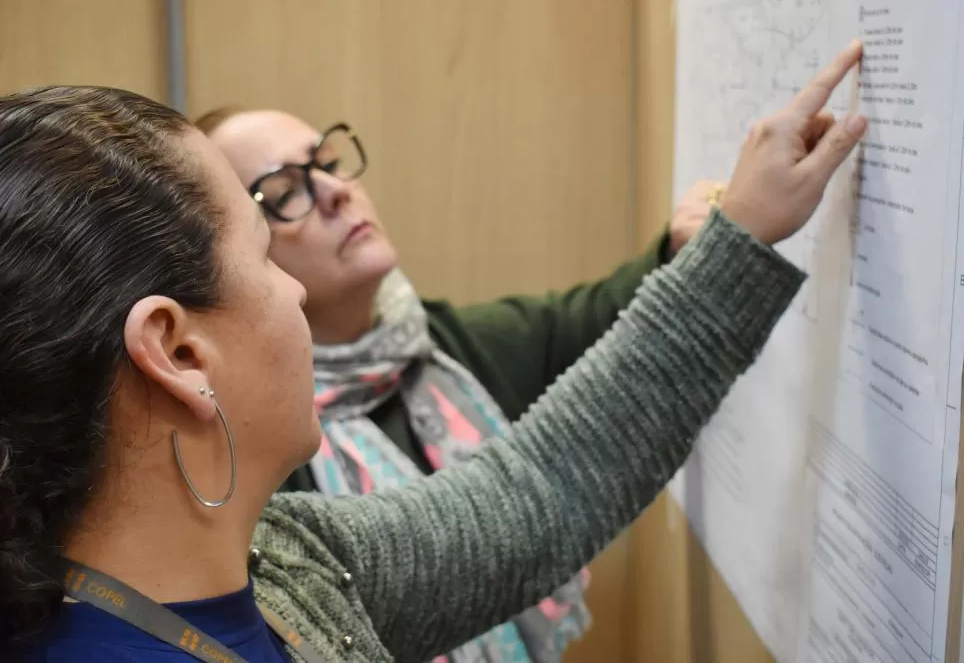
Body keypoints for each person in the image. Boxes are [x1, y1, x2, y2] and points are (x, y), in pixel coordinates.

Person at [0, 41, 867, 663]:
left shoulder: (289, 564)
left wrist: (741, 234)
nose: (294, 292)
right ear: (178, 352)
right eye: (264, 256)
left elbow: (532, 498)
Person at [196, 70, 721, 663]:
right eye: (287, 191)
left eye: (331, 161)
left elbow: (604, 323)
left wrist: (688, 248)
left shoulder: (444, 348)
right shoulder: (256, 453)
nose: (336, 191)